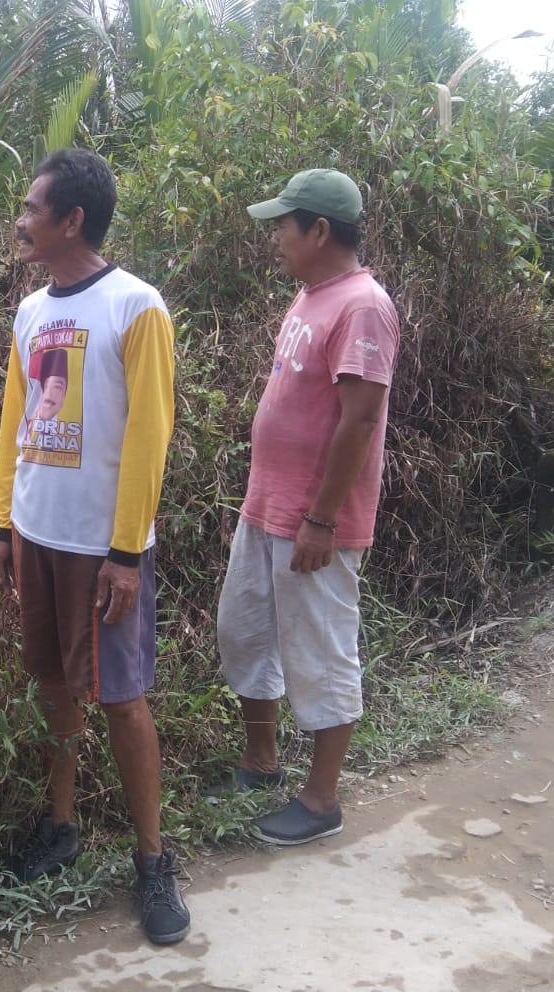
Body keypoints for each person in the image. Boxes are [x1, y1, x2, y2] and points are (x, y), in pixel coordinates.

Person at [0, 148, 188, 946]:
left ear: (72, 219)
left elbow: (150, 436)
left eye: (33, 209)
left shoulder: (137, 308)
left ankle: (152, 858)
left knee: (122, 697)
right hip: (38, 532)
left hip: (101, 548)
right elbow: (15, 420)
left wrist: (128, 551)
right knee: (53, 686)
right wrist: (4, 524)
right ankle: (62, 827)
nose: (22, 221)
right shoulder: (30, 311)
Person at [211, 168, 400, 846]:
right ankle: (260, 762)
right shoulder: (311, 297)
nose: (275, 239)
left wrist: (321, 518)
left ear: (320, 230)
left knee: (320, 652)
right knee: (244, 633)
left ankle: (321, 800)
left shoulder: (362, 306)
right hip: (267, 508)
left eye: (283, 226)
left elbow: (358, 421)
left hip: (313, 522)